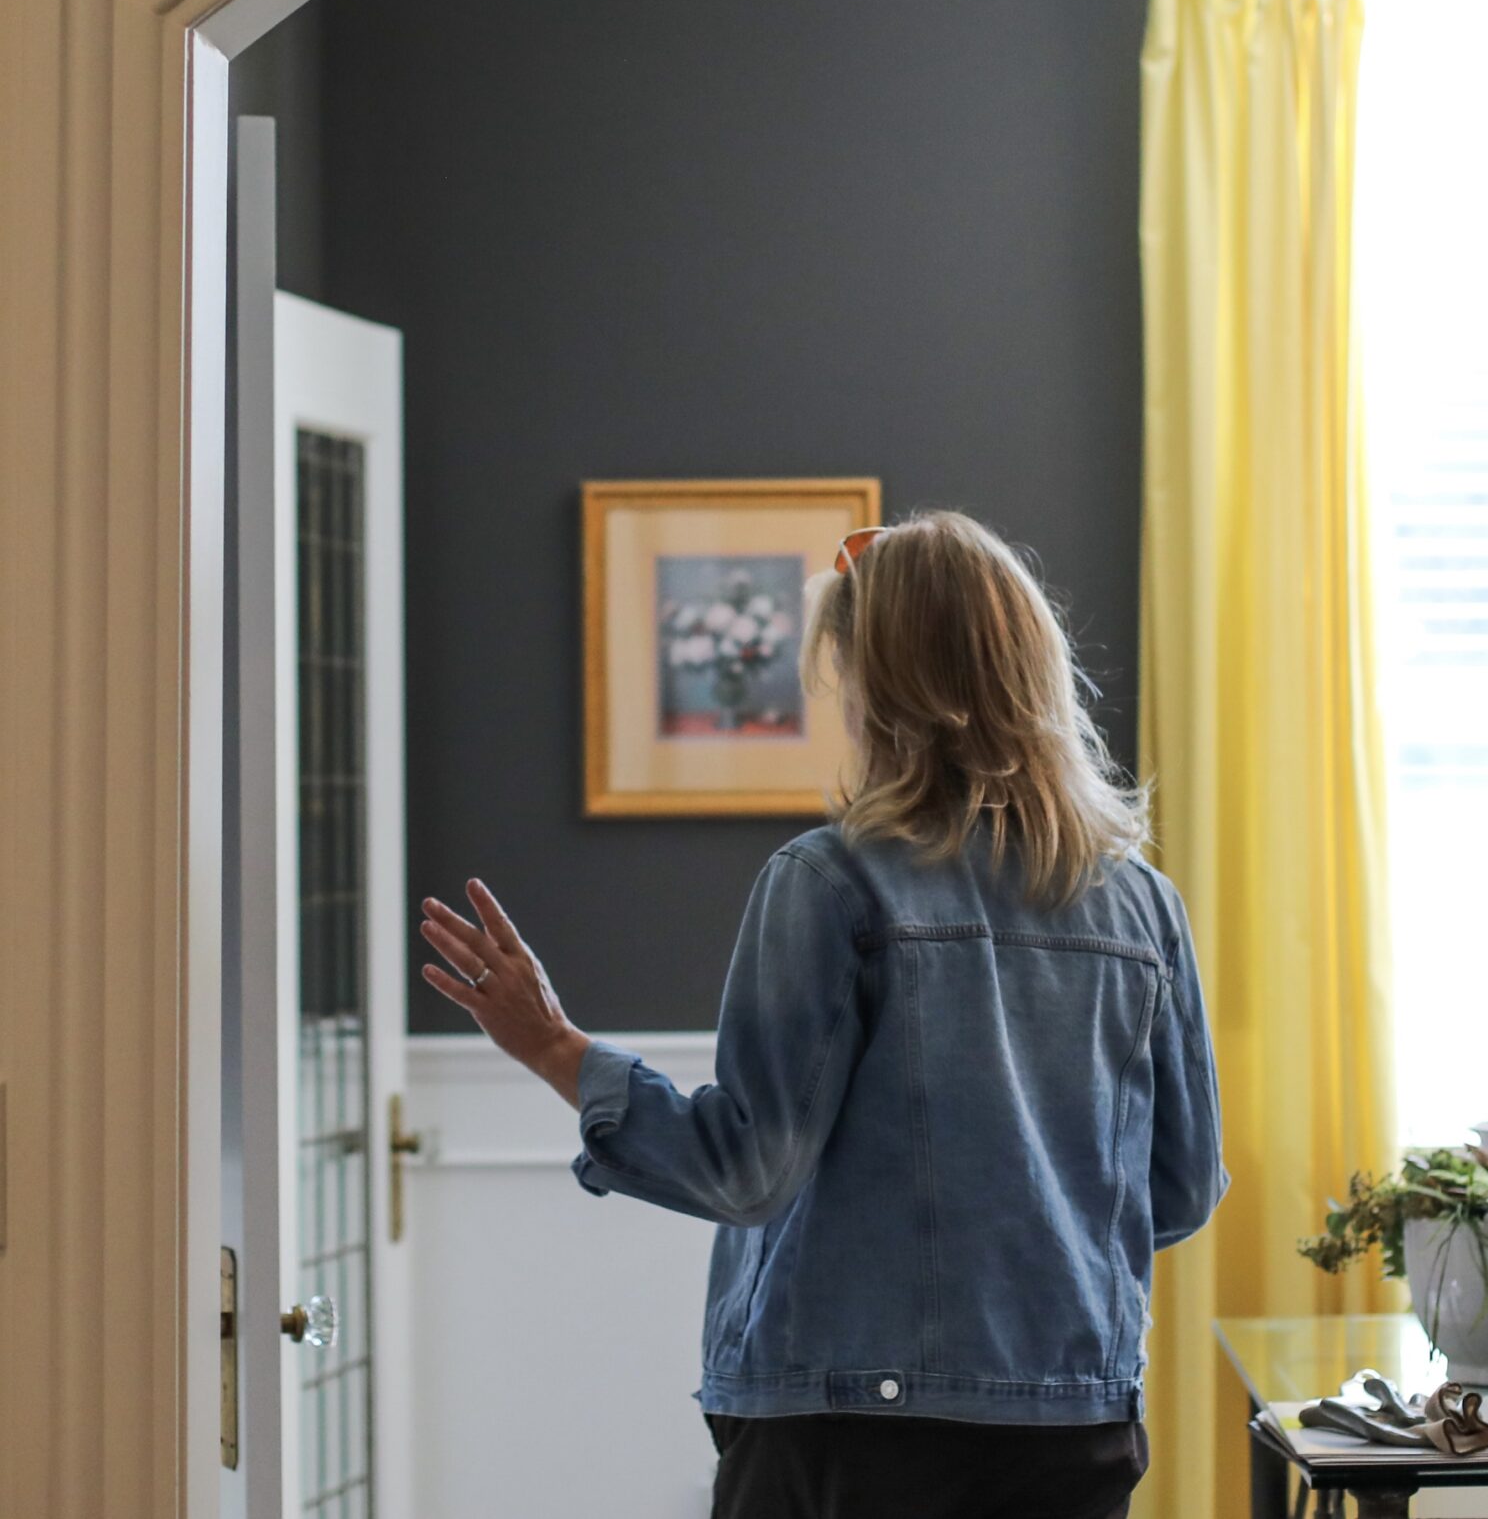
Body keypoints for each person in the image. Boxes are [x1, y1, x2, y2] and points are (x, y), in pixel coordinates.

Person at [419, 509, 1226, 1519]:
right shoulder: (1142, 904)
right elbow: (1183, 1188)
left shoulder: (831, 882)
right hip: (1073, 1424)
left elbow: (746, 1169)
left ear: (882, 690)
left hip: (853, 1435)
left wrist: (554, 1047)